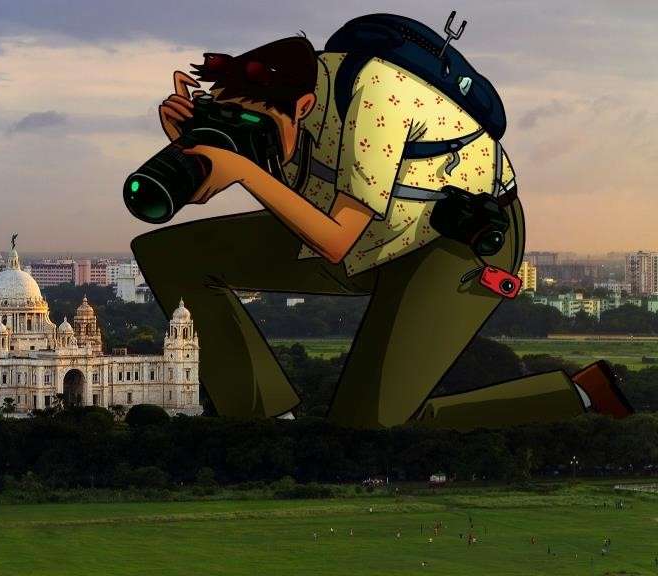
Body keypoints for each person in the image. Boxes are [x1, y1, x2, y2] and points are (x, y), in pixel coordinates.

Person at [133, 15, 634, 428]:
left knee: (368, 425)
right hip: (367, 236)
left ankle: (576, 394)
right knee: (170, 254)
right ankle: (263, 419)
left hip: (454, 242)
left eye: (256, 126)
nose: (250, 136)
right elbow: (226, 190)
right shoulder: (273, 108)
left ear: (303, 105)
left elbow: (335, 241)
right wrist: (191, 146)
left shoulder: (378, 96)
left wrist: (244, 170)